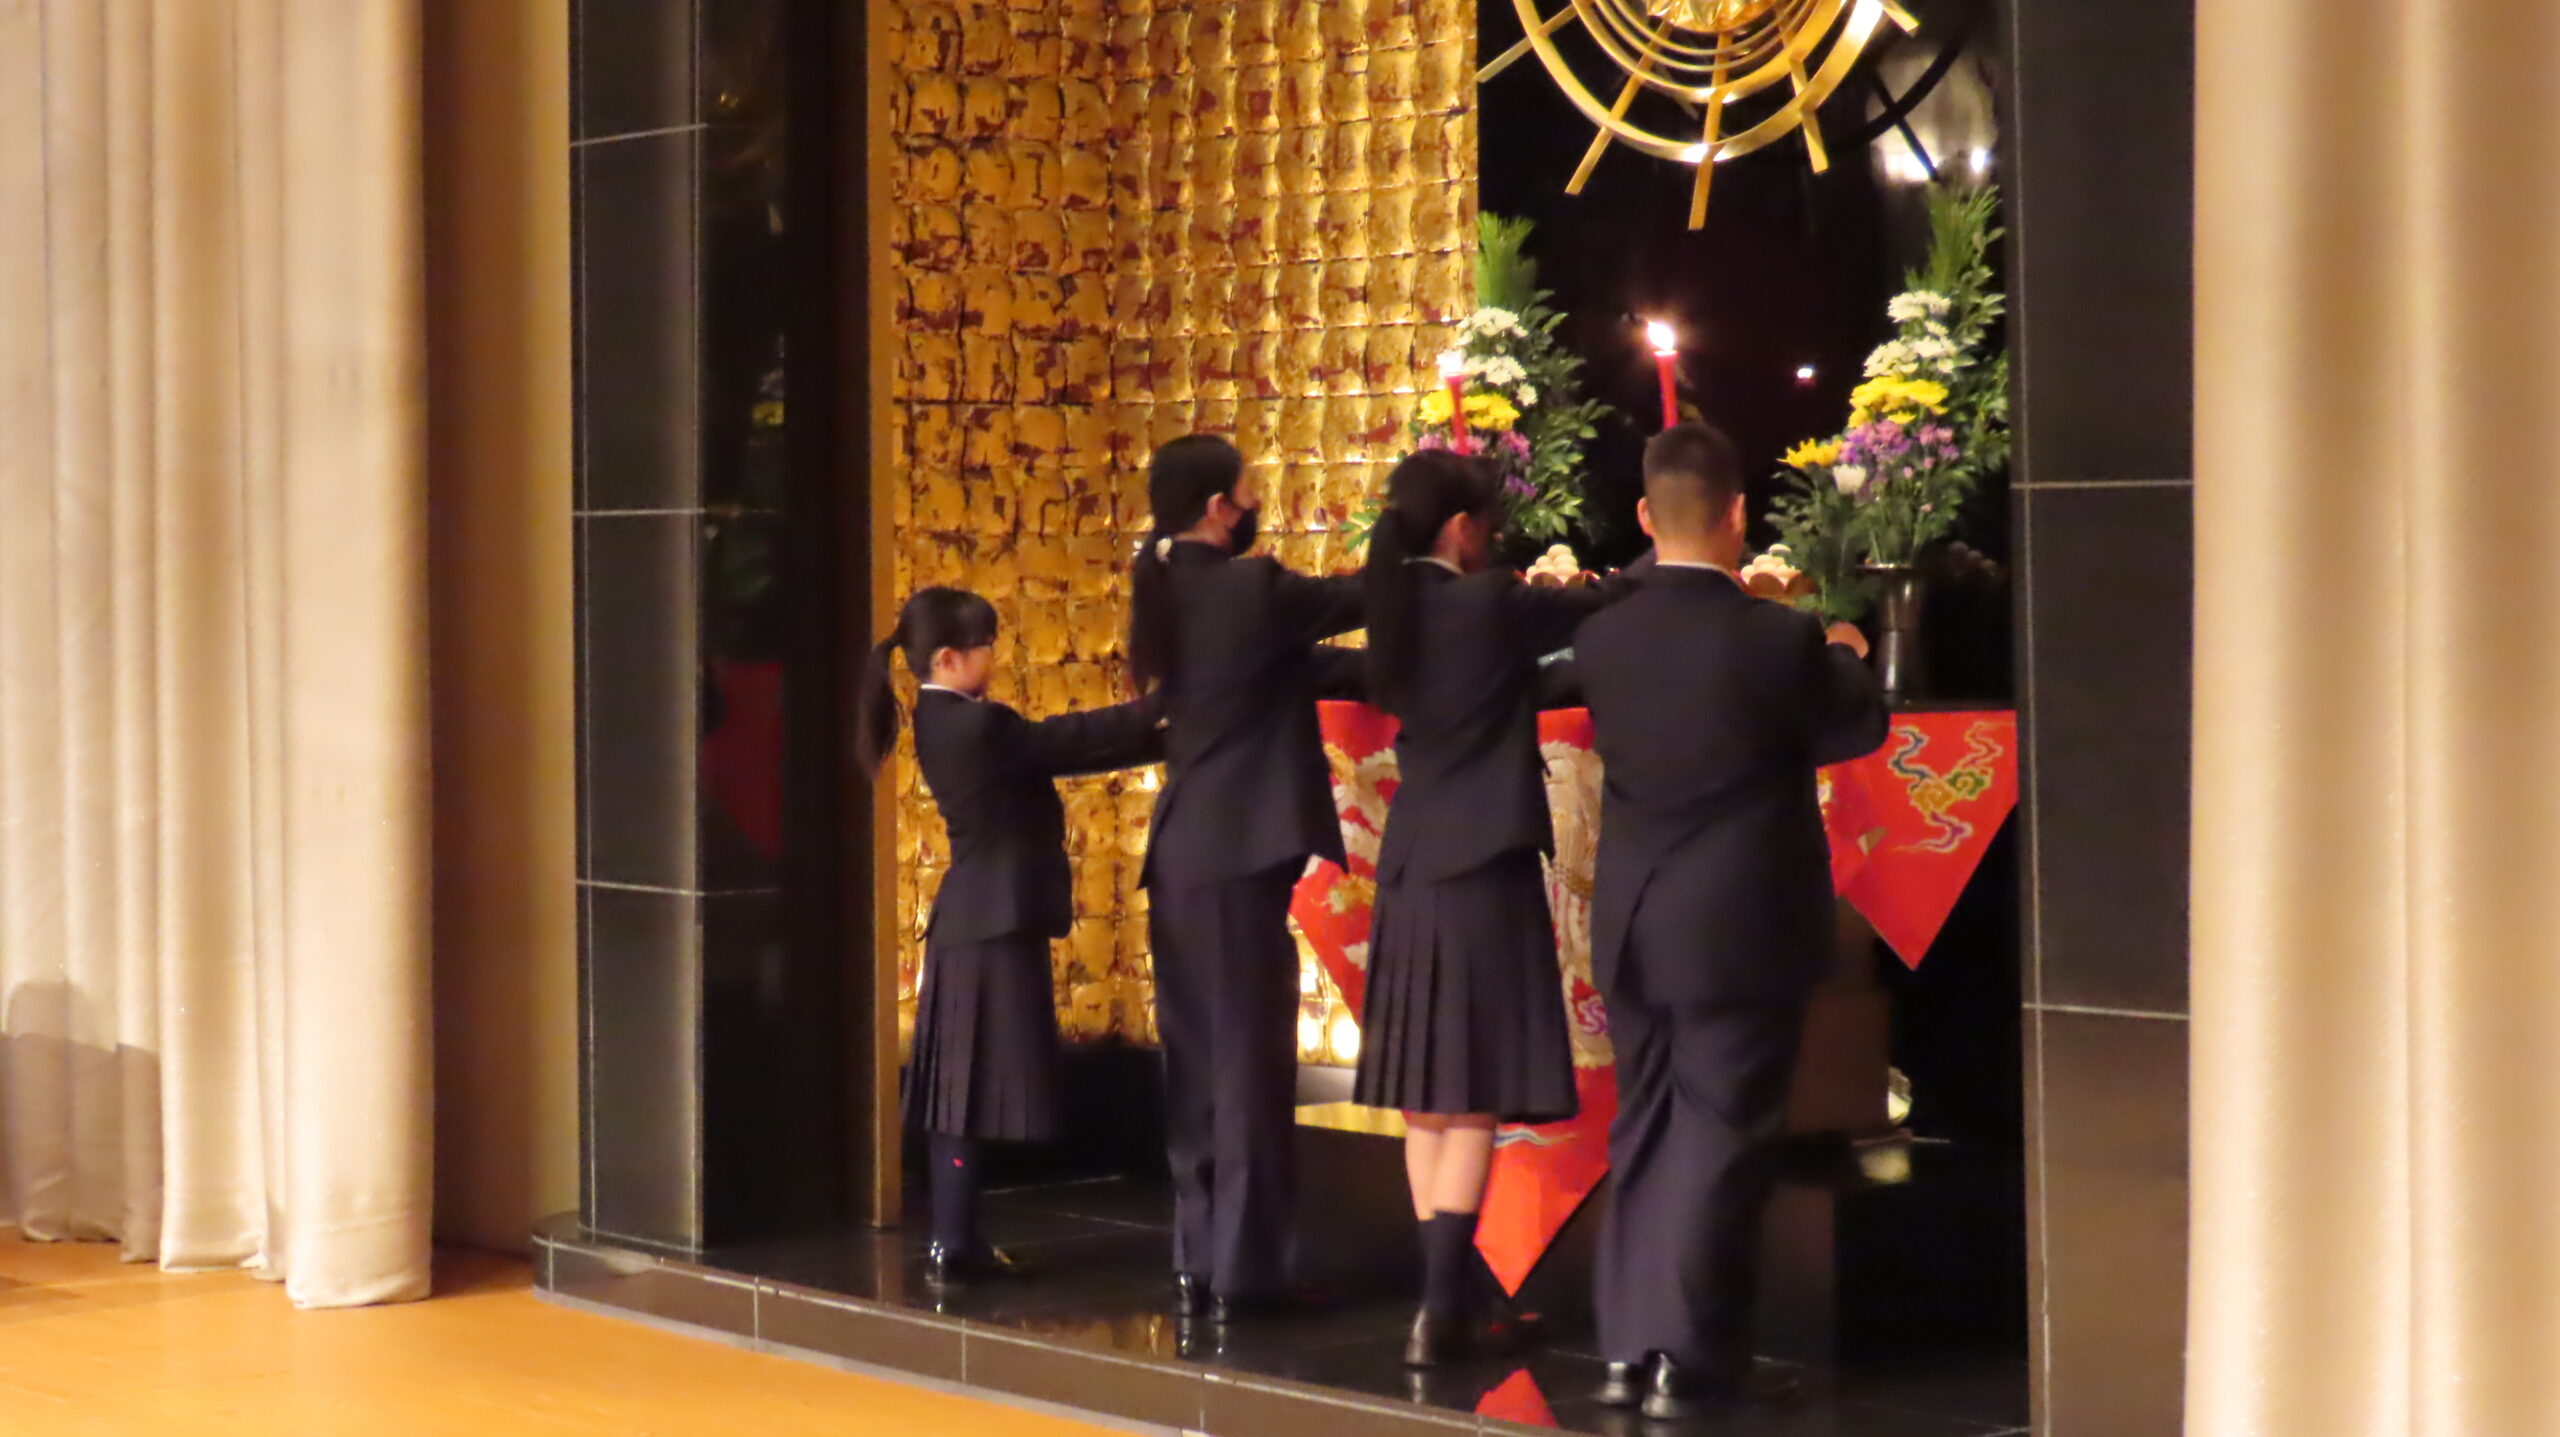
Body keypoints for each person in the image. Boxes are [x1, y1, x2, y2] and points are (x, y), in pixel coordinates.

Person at [1573, 423, 1889, 1418]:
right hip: (1736, 924)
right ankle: (1690, 1357)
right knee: (1718, 1135)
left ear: (1643, 516)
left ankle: (1626, 1352)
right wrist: (1846, 650)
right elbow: (1853, 721)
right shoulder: (1774, 637)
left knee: (1643, 1128)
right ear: (1739, 516)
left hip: (1632, 918)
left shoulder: (1603, 637)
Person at [1351, 449, 1630, 1367]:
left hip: (1412, 861)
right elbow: (1596, 605)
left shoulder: (1392, 605)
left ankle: (1453, 1294)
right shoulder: (1490, 602)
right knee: (1468, 1099)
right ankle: (1439, 1311)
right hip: (1482, 863)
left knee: (1426, 1105)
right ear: (1463, 528)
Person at [854, 586, 1164, 1288]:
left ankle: (955, 1241)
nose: (994, 656)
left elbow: (1061, 750)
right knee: (961, 1093)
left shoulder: (944, 718)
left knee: (958, 1092)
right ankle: (953, 1243)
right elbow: (1065, 741)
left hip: (977, 921)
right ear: (948, 657)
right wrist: (1160, 710)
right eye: (986, 645)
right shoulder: (975, 725)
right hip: (987, 924)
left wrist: (1159, 729)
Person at [1127, 434, 1364, 1323]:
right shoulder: (1248, 588)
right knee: (1251, 1074)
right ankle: (1247, 1273)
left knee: (1196, 1073)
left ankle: (1200, 1260)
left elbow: (1299, 669)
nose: (1256, 502)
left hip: (1184, 854)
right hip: (1234, 860)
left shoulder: (1167, 589)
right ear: (1219, 506)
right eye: (1249, 490)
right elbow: (1358, 597)